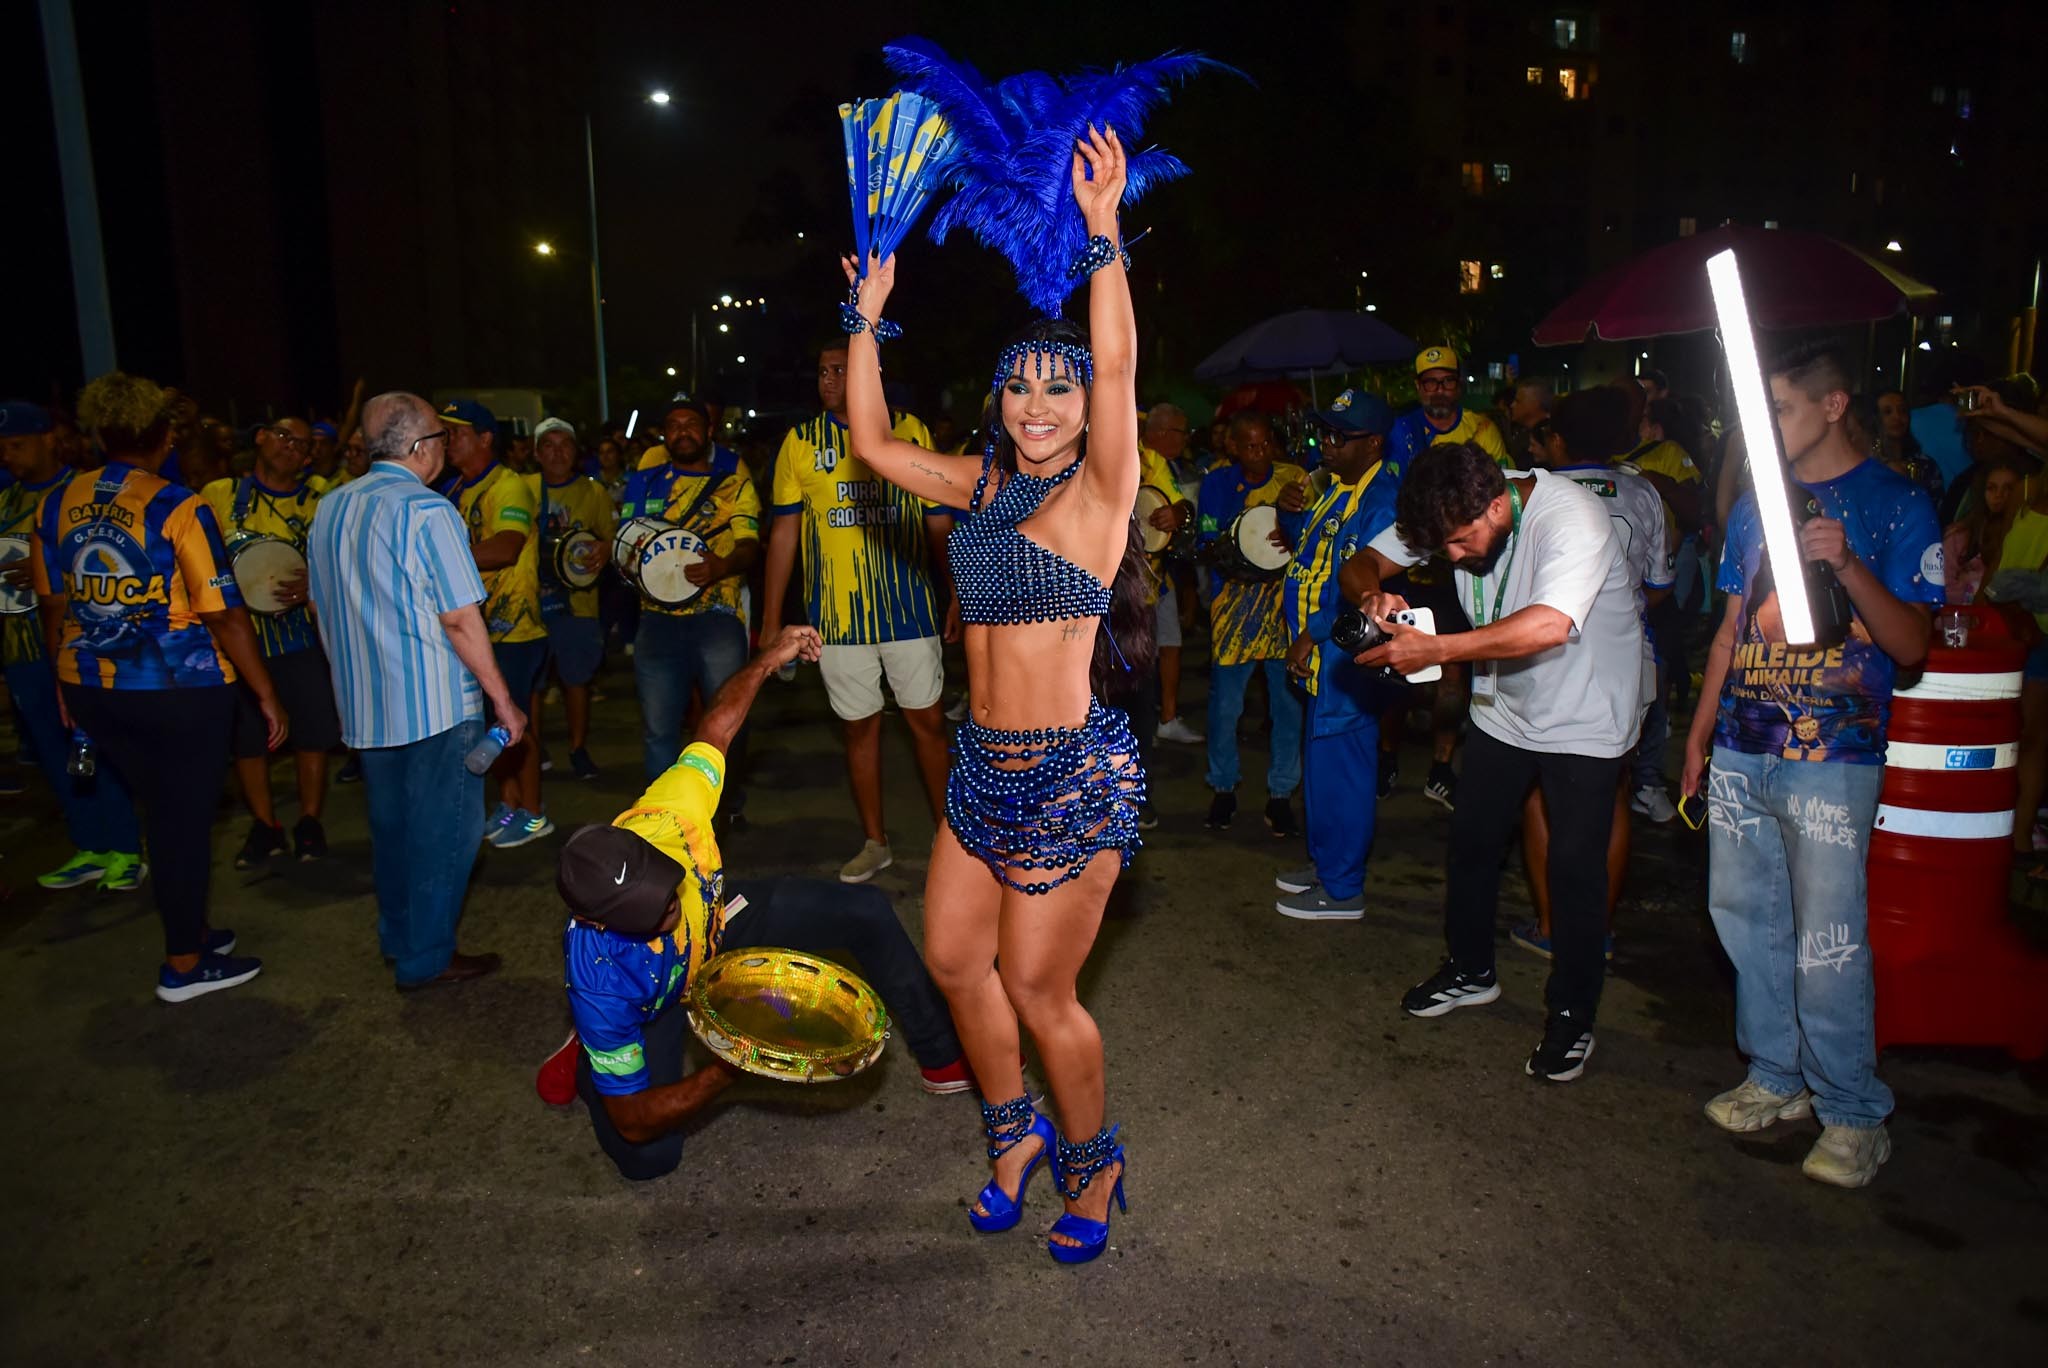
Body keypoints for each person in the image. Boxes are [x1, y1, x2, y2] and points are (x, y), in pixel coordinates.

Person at [839, 126, 1153, 1263]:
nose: (1037, 403)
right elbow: (870, 443)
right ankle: (1009, 1135)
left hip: (1069, 778)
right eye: (1018, 385)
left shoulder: (1097, 500)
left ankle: (1092, 1157)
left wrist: (1105, 233)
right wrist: (868, 316)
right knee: (954, 963)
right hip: (981, 773)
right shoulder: (974, 489)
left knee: (1037, 985)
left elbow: (1117, 367)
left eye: (1056, 388)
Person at [534, 625, 973, 1179]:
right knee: (648, 1156)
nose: (668, 906)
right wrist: (729, 1069)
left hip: (718, 922)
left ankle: (941, 1054)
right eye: (650, 913)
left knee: (866, 910)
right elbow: (634, 1120)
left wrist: (769, 657)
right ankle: (592, 1059)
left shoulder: (669, 815)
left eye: (666, 887)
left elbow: (717, 724)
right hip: (656, 996)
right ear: (597, 922)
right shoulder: (601, 975)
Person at [1679, 342, 1940, 1188]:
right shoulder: (1757, 506)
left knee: (1828, 943)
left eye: (1782, 409)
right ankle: (1775, 1075)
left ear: (1832, 405)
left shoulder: (1896, 503)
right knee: (1748, 924)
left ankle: (1855, 1111)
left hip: (1835, 757)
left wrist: (1846, 563)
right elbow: (1729, 629)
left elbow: (1911, 646)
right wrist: (1699, 735)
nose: (1767, 429)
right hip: (1742, 750)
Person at [1342, 440, 1644, 1082]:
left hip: (1587, 718)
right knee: (1473, 843)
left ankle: (1573, 1015)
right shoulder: (1450, 502)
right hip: (1504, 709)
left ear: (1495, 506)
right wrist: (1372, 597)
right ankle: (1471, 969)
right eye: (1440, 547)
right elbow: (1363, 560)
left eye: (1457, 542)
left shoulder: (1573, 518)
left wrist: (1438, 650)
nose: (1449, 557)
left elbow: (1548, 627)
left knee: (1573, 870)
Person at [34, 372, 286, 1001]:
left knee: (163, 810)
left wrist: (64, 681)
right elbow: (224, 613)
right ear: (165, 434)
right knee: (182, 822)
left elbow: (52, 603)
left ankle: (191, 929)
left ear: (98, 434)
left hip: (92, 682)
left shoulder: (56, 503)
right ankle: (183, 965)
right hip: (176, 691)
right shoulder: (178, 505)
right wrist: (264, 691)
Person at [307, 391, 526, 990]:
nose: (444, 447)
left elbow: (320, 607)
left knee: (394, 833)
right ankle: (426, 957)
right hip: (433, 706)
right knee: (445, 838)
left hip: (366, 703)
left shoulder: (330, 508)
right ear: (416, 448)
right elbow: (460, 618)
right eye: (438, 437)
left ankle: (398, 936)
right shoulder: (428, 511)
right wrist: (503, 701)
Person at [759, 344, 953, 883]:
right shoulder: (800, 443)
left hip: (909, 608)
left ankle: (950, 837)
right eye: (822, 370)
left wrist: (954, 591)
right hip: (837, 621)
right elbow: (784, 532)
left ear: (871, 371)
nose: (828, 379)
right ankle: (876, 842)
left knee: (929, 723)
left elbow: (937, 518)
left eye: (840, 368)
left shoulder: (911, 430)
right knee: (858, 729)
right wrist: (772, 620)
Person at [1512, 390, 1673, 958]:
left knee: (1538, 791)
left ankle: (1554, 925)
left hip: (1547, 658)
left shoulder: (1533, 493)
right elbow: (1660, 585)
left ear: (1557, 440)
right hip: (1625, 662)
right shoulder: (1644, 491)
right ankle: (1597, 930)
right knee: (1614, 795)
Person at [0, 400, 144, 891]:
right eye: (2, 449)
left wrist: (45, 571)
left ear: (48, 437)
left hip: (83, 647)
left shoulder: (80, 495)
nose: (9, 456)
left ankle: (126, 847)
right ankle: (91, 845)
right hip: (22, 651)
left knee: (93, 745)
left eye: (18, 445)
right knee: (52, 750)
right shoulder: (5, 503)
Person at [1273, 389, 1399, 919]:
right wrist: (1289, 514)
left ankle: (1344, 887)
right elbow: (1314, 551)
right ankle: (1327, 863)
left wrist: (1314, 632)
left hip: (1345, 653)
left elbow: (1356, 590)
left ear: (1372, 443)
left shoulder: (1382, 500)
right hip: (1321, 659)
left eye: (1338, 437)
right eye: (1323, 434)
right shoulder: (1339, 487)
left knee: (1344, 770)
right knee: (1321, 768)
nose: (1325, 444)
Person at [203, 417, 345, 864]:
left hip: (300, 639)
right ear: (260, 436)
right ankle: (265, 825)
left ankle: (308, 822)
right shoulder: (218, 495)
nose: (291, 447)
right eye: (283, 435)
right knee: (248, 740)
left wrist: (316, 584)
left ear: (309, 457)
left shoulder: (321, 501)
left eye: (302, 444)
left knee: (311, 735)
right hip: (240, 642)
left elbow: (345, 562)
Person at [1382, 348, 1511, 809]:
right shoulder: (1401, 430)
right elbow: (1395, 493)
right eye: (1429, 382)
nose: (1438, 390)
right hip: (1413, 565)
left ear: (1459, 384)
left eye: (1447, 381)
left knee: (1453, 673)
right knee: (1399, 670)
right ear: (1418, 388)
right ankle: (1388, 755)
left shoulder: (1482, 430)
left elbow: (1496, 492)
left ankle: (1440, 767)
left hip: (1460, 572)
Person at [619, 395, 761, 791]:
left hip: (718, 621)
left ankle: (723, 807)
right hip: (656, 621)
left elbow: (749, 546)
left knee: (727, 720)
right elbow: (626, 541)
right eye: (674, 425)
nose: (683, 431)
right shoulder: (642, 481)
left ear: (709, 431)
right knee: (659, 729)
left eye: (692, 424)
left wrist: (722, 565)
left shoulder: (735, 484)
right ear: (664, 434)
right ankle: (663, 817)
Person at [438, 400, 552, 847]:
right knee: (494, 726)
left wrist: (436, 560)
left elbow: (506, 548)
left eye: (456, 433)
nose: (447, 442)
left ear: (486, 438)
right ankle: (509, 805)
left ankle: (535, 813)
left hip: (516, 629)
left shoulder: (510, 486)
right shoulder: (453, 492)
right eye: (443, 434)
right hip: (478, 632)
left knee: (515, 724)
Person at [1197, 411, 1307, 834]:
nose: (1259, 453)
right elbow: (1206, 541)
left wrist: (1291, 528)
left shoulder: (1295, 478)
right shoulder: (1218, 483)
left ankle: (1281, 794)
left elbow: (1312, 533)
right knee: (1226, 707)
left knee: (1286, 705)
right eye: (1249, 446)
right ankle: (1223, 787)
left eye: (1265, 444)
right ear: (1234, 448)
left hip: (1283, 607)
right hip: (1233, 607)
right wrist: (1237, 542)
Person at [526, 418, 613, 780]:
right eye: (549, 445)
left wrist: (603, 550)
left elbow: (610, 541)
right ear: (536, 453)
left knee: (576, 680)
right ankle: (530, 749)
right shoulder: (521, 488)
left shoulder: (594, 493)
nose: (557, 452)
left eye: (566, 445)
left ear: (577, 452)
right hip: (528, 605)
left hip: (577, 604)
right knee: (530, 683)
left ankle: (577, 747)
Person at [1140, 403, 1201, 745]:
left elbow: (1183, 506)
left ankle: (1166, 717)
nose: (1188, 438)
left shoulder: (1155, 463)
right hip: (1115, 585)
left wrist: (1177, 514)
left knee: (1169, 644)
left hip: (1158, 577)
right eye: (1183, 431)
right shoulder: (1100, 454)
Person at [1875, 389, 1942, 501]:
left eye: (1902, 411)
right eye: (1887, 412)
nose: (1897, 417)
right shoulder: (1869, 463)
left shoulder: (1925, 465)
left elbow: (1936, 508)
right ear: (1876, 419)